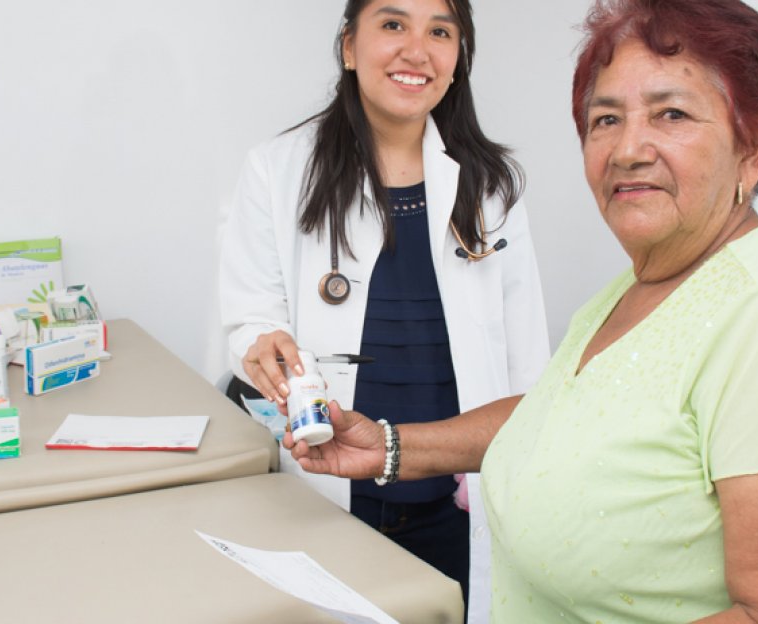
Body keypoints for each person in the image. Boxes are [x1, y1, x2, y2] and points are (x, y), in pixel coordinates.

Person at [287, 0, 758, 621]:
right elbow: (563, 419)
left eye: (672, 114)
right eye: (605, 120)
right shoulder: (634, 292)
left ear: (752, 142)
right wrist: (391, 447)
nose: (628, 148)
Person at [217, 0, 549, 616]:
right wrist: (262, 345)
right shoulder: (277, 170)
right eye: (393, 24)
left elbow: (528, 365)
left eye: (440, 32)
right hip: (329, 491)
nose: (416, 50)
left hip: (455, 498)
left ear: (457, 58)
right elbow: (250, 313)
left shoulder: (492, 185)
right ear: (349, 46)